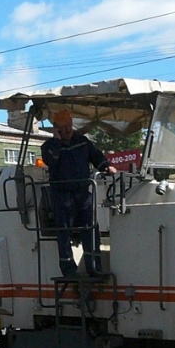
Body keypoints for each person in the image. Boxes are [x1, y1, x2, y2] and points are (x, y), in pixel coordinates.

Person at [41, 110, 114, 277]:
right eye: (63, 128)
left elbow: (95, 156)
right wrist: (58, 142)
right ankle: (69, 271)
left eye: (69, 126)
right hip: (62, 196)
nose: (67, 130)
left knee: (90, 229)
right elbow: (51, 160)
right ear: (56, 129)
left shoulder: (82, 142)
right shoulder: (49, 147)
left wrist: (106, 166)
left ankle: (94, 268)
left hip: (83, 194)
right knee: (64, 232)